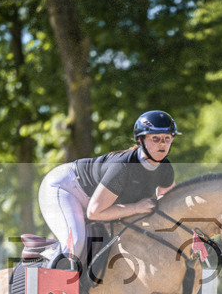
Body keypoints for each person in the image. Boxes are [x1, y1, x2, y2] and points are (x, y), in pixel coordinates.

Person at [37, 110, 180, 268]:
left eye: (167, 138)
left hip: (95, 201)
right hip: (65, 188)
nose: (162, 144)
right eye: (155, 138)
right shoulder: (123, 167)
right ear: (141, 140)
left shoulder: (165, 168)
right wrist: (136, 207)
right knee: (74, 243)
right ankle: (43, 273)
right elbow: (94, 212)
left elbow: (169, 205)